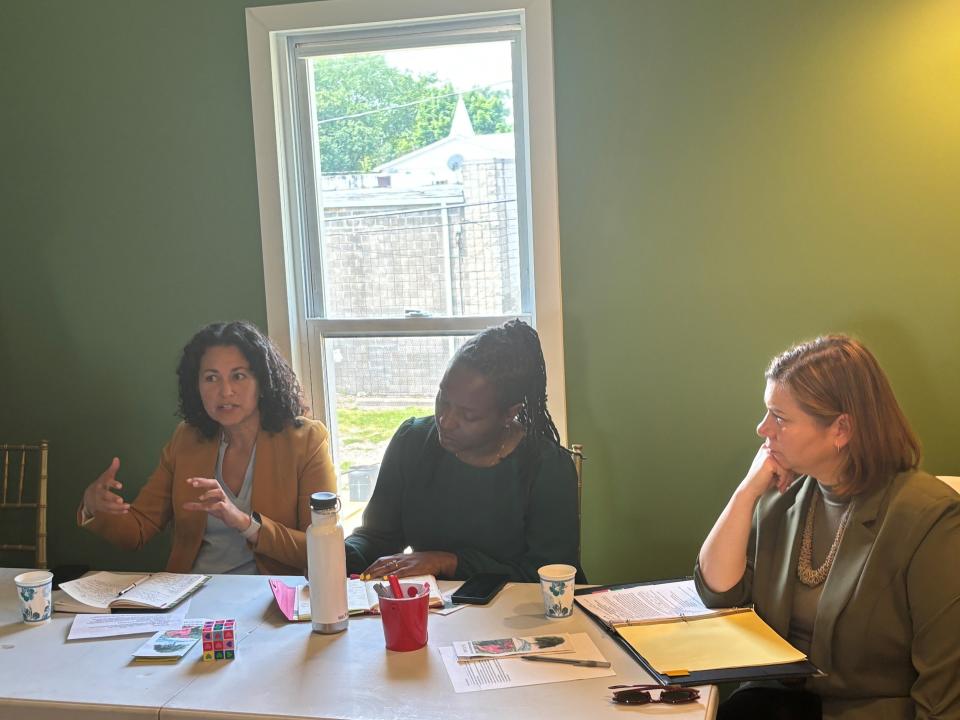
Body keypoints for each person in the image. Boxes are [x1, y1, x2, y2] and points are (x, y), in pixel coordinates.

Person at [695, 335, 960, 720]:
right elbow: (718, 592)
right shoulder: (785, 494)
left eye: (780, 418)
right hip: (773, 707)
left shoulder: (930, 518)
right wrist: (746, 492)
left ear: (841, 430)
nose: (762, 429)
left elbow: (945, 689)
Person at [79, 321, 336, 575]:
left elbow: (321, 549)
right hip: (191, 598)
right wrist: (94, 507)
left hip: (270, 600)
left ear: (262, 383)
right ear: (197, 386)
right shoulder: (187, 440)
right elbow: (138, 531)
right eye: (211, 378)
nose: (225, 391)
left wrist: (244, 523)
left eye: (239, 376)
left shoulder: (306, 441)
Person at [345, 320, 584, 583]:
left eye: (468, 415)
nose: (445, 421)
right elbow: (379, 536)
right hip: (437, 617)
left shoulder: (547, 468)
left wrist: (448, 562)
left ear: (508, 414)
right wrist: (341, 555)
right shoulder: (412, 442)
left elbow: (550, 578)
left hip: (519, 619)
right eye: (443, 400)